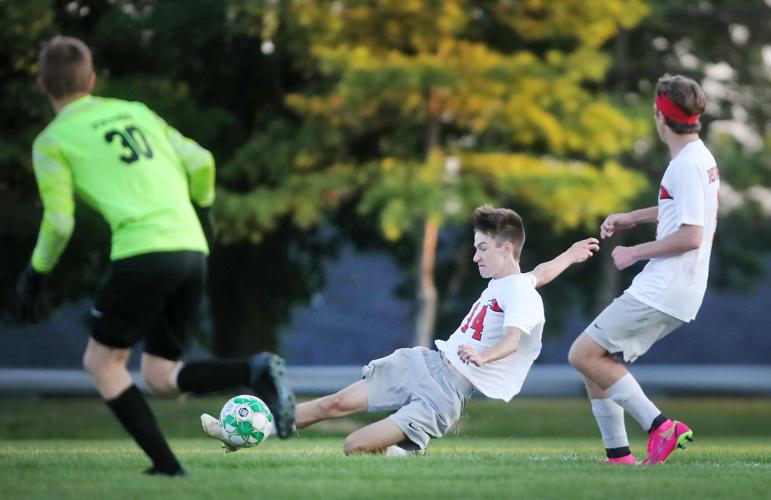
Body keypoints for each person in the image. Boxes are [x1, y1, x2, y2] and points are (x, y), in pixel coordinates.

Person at [14, 36, 296, 476]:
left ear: (41, 83)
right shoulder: (136, 112)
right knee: (161, 376)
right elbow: (202, 160)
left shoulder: (52, 141)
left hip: (142, 252)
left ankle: (167, 466)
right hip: (190, 249)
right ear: (90, 79)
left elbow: (59, 224)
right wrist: (203, 212)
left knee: (101, 363)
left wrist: (35, 273)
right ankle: (253, 368)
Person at [202, 206, 599, 455]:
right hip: (423, 363)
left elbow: (512, 341)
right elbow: (539, 273)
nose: (475, 255)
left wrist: (482, 355)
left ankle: (409, 448)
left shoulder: (524, 297)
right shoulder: (513, 281)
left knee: (353, 445)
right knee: (333, 404)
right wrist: (570, 255)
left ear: (506, 249)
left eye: (482, 248)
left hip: (446, 393)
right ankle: (249, 432)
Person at [568, 74, 719, 465]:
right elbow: (681, 210)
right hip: (678, 289)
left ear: (659, 115)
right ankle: (618, 455)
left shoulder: (685, 165)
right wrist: (632, 217)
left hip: (665, 286)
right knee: (597, 359)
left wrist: (634, 252)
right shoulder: (699, 158)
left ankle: (661, 426)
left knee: (582, 353)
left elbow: (691, 236)